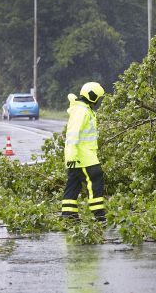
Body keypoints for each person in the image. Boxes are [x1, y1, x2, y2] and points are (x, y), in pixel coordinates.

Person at [61, 82, 106, 222]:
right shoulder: (82, 111)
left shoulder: (83, 109)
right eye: (98, 98)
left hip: (79, 156)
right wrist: (72, 155)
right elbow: (73, 134)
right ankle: (99, 217)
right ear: (92, 96)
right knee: (95, 182)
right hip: (83, 157)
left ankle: (69, 217)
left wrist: (71, 157)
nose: (99, 101)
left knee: (73, 185)